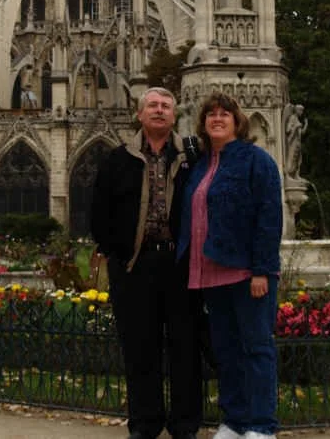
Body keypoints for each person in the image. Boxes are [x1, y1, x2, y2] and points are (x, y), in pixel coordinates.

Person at [91, 87, 203, 439]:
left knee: (186, 348)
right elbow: (98, 211)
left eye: (165, 107)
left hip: (180, 263)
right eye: (152, 106)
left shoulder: (191, 157)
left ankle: (185, 424)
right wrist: (116, 252)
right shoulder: (117, 158)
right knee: (140, 349)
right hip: (134, 266)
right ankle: (145, 423)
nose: (158, 111)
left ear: (175, 115)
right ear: (139, 114)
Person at [178, 92, 283, 439]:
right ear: (203, 123)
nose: (217, 119)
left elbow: (269, 217)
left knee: (256, 347)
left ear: (238, 122)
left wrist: (261, 270)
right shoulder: (201, 165)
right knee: (226, 352)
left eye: (225, 114)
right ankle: (235, 421)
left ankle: (262, 425)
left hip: (244, 271)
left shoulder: (257, 160)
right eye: (211, 115)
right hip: (211, 271)